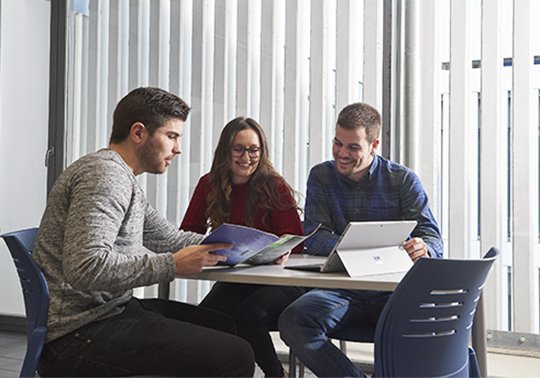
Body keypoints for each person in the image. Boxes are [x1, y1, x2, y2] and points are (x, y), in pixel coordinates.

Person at [33, 87, 255, 377]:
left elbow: (170, 239)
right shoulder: (105, 176)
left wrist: (247, 250)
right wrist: (172, 265)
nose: (178, 149)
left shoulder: (123, 178)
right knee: (236, 355)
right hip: (79, 333)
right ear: (138, 133)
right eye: (171, 136)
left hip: (109, 311)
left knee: (223, 324)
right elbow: (85, 267)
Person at [278, 102, 443, 377]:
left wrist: (424, 247)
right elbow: (316, 238)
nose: (341, 153)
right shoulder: (321, 176)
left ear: (373, 144)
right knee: (293, 320)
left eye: (352, 147)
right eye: (337, 143)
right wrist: (370, 249)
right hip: (342, 291)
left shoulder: (402, 180)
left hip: (394, 294)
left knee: (423, 331)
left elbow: (432, 237)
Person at [181, 116, 304, 378]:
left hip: (279, 282)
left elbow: (296, 239)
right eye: (239, 149)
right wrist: (207, 247)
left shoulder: (274, 185)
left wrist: (282, 249)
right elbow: (188, 233)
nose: (246, 156)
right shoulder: (209, 183)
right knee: (204, 320)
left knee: (247, 316)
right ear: (226, 151)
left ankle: (277, 375)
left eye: (254, 149)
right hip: (238, 277)